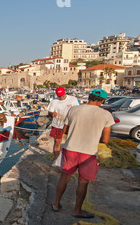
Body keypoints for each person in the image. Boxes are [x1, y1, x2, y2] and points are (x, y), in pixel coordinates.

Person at [51, 89, 115, 218]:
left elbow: (65, 130)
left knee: (64, 178)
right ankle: (77, 210)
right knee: (83, 182)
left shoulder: (74, 109)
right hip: (89, 153)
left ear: (89, 97)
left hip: (71, 149)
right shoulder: (106, 114)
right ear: (102, 100)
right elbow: (106, 140)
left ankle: (56, 204)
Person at [47, 87, 80, 161]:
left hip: (70, 124)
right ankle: (56, 160)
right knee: (57, 143)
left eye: (62, 95)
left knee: (71, 142)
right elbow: (49, 112)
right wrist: (52, 113)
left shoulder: (73, 99)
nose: (61, 97)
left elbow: (77, 110)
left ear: (65, 92)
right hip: (58, 125)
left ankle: (70, 159)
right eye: (59, 96)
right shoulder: (54, 101)